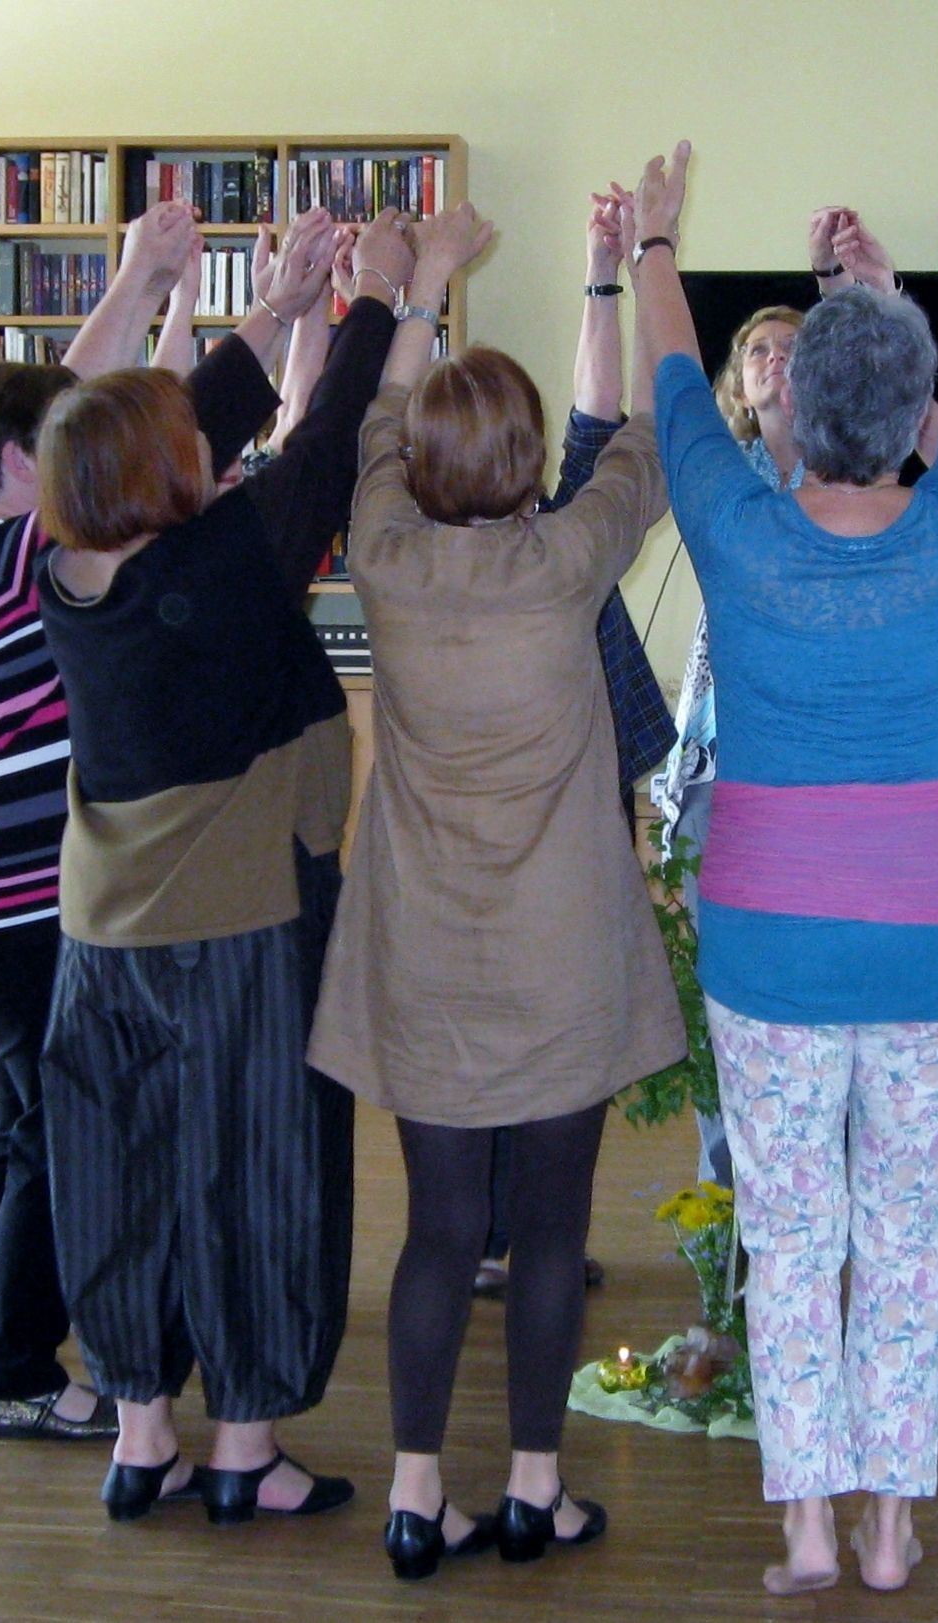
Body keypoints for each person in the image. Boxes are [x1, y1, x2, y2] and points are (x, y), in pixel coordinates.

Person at [635, 137, 938, 1595]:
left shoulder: (737, 530)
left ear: (790, 401)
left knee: (792, 1235)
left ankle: (806, 1522)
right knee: (906, 1236)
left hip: (772, 943)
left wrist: (655, 243)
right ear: (917, 415)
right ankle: (889, 1528)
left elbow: (675, 379)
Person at [305, 203, 678, 1584]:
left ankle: (416, 1497)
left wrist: (427, 286)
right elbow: (651, 437)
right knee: (552, 1232)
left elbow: (372, 424)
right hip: (562, 950)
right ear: (526, 464)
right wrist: (635, 264)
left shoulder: (384, 555)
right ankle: (533, 1488)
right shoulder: (568, 562)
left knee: (439, 1230)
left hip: (425, 952)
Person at [34, 203, 385, 1526]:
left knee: (116, 1173)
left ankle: (141, 1432)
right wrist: (370, 302)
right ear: (167, 475)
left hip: (99, 939)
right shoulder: (228, 560)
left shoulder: (62, 570)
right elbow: (326, 443)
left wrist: (282, 305)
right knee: (262, 1166)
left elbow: (163, 435)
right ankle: (245, 1444)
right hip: (238, 929)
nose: (205, 440)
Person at [0, 201, 213, 1440]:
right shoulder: (26, 553)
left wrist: (152, 289)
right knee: (48, 1131)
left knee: (15, 1115)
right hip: (6, 900)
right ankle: (20, 1372)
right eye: (57, 444)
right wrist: (141, 282)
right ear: (25, 464)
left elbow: (83, 399)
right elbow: (100, 403)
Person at [651, 209, 902, 1188]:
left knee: (826, 990)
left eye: (793, 349)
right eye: (756, 349)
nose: (771, 360)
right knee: (720, 990)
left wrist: (841, 291)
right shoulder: (721, 479)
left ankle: (825, 1180)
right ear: (736, 378)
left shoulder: (861, 473)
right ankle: (731, 1194)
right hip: (720, 769)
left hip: (828, 778)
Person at [472, 194, 678, 1303]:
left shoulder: (412, 562)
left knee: (496, 1034)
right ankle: (523, 1237)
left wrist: (604, 275)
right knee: (553, 1037)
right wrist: (632, 269)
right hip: (557, 835)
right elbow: (623, 433)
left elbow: (601, 431)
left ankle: (492, 1235)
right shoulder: (565, 556)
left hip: (487, 846)